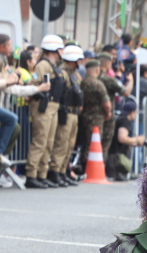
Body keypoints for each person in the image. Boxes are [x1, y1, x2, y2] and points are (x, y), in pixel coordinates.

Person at [25, 34, 64, 190]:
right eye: (60, 48)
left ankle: (42, 174)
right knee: (40, 141)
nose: (62, 51)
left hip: (52, 106)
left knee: (48, 142)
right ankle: (31, 175)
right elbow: (33, 83)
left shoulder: (52, 65)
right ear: (53, 49)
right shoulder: (42, 65)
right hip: (43, 106)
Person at [48, 44, 83, 187]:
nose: (80, 63)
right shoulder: (63, 74)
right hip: (66, 112)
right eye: (78, 60)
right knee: (61, 144)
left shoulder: (73, 74)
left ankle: (63, 171)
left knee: (69, 145)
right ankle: (55, 171)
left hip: (73, 113)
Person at [78, 59, 110, 174]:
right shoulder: (98, 84)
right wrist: (108, 113)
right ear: (97, 70)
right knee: (94, 143)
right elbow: (107, 103)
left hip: (84, 116)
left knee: (86, 142)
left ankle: (82, 166)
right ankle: (91, 169)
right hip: (96, 118)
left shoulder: (82, 83)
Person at [106, 98, 147, 181]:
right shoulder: (125, 121)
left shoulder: (120, 119)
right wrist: (136, 140)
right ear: (133, 112)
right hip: (115, 159)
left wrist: (135, 142)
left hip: (112, 158)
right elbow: (122, 138)